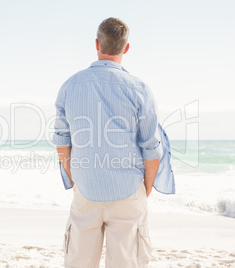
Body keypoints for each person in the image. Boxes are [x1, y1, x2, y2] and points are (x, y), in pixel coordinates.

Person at [52, 17, 175, 267]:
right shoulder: (139, 89)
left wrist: (76, 178)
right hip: (128, 191)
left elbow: (62, 144)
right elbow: (152, 150)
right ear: (126, 48)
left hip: (86, 189)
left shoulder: (70, 85)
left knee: (79, 262)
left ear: (96, 44)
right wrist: (146, 188)